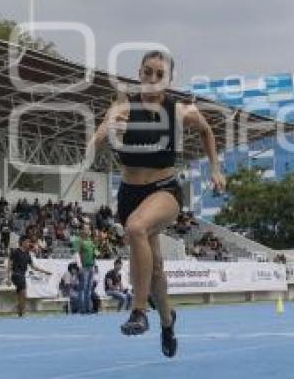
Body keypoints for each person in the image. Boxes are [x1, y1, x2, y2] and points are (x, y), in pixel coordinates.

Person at [90, 50, 225, 358]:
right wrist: (103, 135)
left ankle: (139, 311)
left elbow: (206, 131)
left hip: (165, 189)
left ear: (168, 79)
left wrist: (216, 168)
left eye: (159, 74)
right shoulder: (123, 107)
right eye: (146, 72)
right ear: (139, 73)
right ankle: (167, 322)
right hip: (129, 193)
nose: (151, 79)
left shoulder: (180, 111)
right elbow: (98, 137)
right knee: (156, 270)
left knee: (137, 228)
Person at [9, 236, 51, 317]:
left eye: (29, 242)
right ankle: (21, 312)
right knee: (23, 293)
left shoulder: (27, 254)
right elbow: (9, 263)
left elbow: (33, 267)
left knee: (21, 295)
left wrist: (45, 272)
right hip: (16, 274)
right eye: (27, 242)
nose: (29, 244)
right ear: (22, 242)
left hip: (22, 275)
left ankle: (20, 312)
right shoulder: (16, 251)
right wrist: (8, 277)